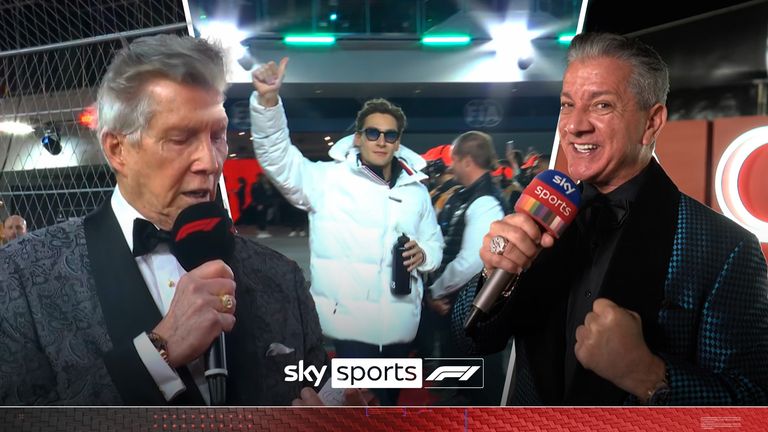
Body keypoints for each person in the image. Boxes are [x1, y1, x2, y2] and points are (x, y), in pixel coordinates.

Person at [0, 35, 327, 405]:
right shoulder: (21, 276)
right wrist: (158, 353)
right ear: (117, 149)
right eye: (180, 139)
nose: (210, 162)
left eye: (217, 136)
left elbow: (316, 377)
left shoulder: (281, 275)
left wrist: (340, 409)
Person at [453, 32, 768, 405]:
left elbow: (751, 402)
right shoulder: (545, 214)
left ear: (652, 123)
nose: (574, 125)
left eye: (601, 105)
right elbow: (470, 337)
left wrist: (648, 374)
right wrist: (495, 275)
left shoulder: (724, 247)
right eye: (567, 104)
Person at [250, 58, 443, 404]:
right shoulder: (327, 181)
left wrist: (425, 254)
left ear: (398, 142)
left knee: (386, 406)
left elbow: (434, 241)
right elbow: (278, 157)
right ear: (358, 137)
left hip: (402, 328)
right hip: (351, 328)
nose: (381, 141)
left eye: (390, 135)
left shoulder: (415, 191)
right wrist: (267, 102)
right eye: (372, 132)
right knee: (361, 408)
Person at [423, 131, 508, 405]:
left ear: (468, 161)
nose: (450, 166)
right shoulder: (465, 195)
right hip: (462, 309)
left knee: (481, 389)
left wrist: (435, 290)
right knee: (466, 381)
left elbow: (472, 261)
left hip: (475, 311)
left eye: (455, 159)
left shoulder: (485, 201)